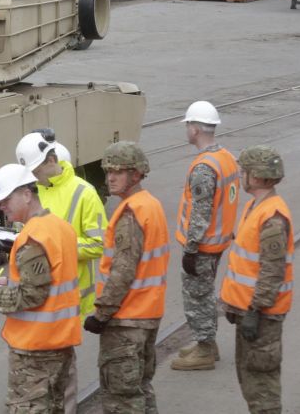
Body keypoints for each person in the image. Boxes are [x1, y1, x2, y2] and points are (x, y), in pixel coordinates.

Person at [0, 163, 80, 413]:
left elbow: (31, 295)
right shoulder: (60, 228)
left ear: (27, 195)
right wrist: (9, 283)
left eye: (6, 199)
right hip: (59, 342)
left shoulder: (33, 238)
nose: (2, 207)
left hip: (36, 351)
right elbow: (49, 282)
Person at [16, 131, 106, 414]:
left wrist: (57, 248)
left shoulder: (84, 193)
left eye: (36, 170)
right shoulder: (35, 193)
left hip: (69, 296)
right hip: (36, 295)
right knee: (37, 367)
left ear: (51, 160)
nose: (34, 177)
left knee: (63, 369)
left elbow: (98, 244)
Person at [83, 141, 169, 414]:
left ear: (136, 174)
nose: (110, 177)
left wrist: (101, 313)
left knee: (122, 399)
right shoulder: (150, 205)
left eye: (118, 171)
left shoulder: (130, 213)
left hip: (126, 320)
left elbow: (122, 271)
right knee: (141, 388)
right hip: (147, 314)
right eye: (108, 171)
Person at [219, 145, 293, 414]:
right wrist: (234, 305)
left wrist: (254, 310)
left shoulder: (272, 217)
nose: (242, 175)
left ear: (259, 176)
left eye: (246, 171)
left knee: (262, 387)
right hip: (251, 312)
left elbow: (271, 271)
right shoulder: (255, 206)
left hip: (263, 316)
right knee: (251, 380)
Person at [171, 101, 240, 371]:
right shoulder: (225, 157)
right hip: (219, 241)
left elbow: (201, 211)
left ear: (196, 129)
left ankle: (204, 348)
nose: (187, 129)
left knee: (197, 297)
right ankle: (207, 343)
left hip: (203, 245)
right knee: (205, 293)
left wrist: (191, 248)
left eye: (188, 124)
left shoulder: (204, 167)